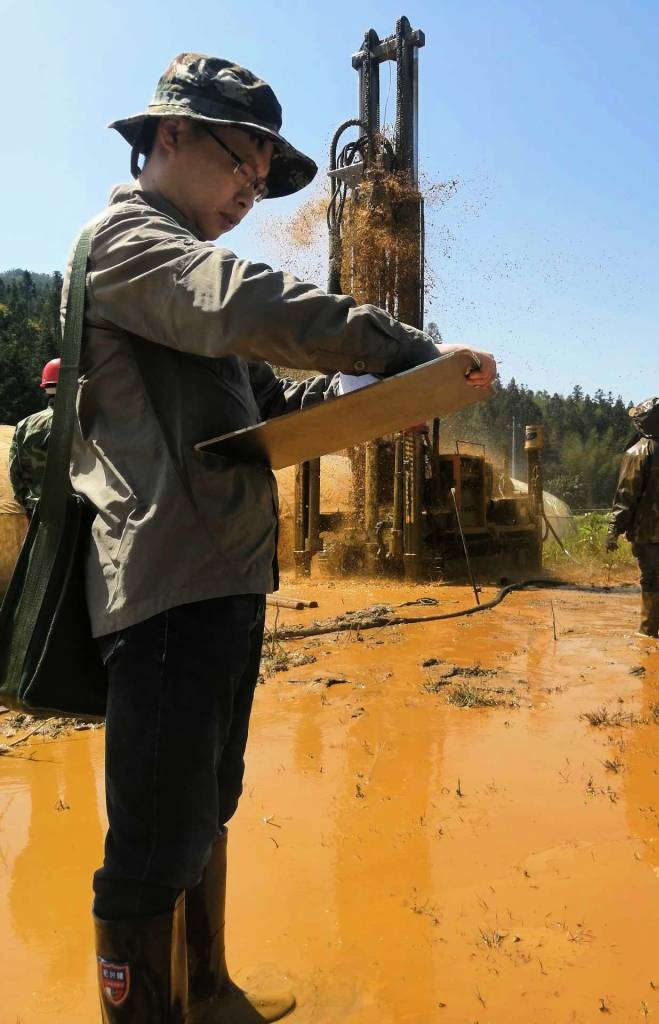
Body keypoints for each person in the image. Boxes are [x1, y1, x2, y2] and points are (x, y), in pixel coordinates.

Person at [64, 53, 496, 1023]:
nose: (253, 193)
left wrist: (378, 392)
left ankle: (208, 992)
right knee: (152, 846)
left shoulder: (188, 287)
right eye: (242, 165)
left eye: (267, 181)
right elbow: (241, 302)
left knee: (207, 807)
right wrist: (394, 342)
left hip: (223, 575)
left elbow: (272, 399)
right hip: (165, 578)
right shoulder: (133, 246)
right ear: (169, 136)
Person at [606, 396, 659, 640]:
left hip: (647, 530)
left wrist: (613, 529)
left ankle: (648, 630)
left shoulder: (636, 453)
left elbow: (625, 495)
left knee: (650, 580)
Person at [8, 358, 60, 519]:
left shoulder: (24, 425)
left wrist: (28, 502)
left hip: (38, 508)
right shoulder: (84, 422)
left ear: (45, 387)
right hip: (80, 513)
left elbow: (14, 472)